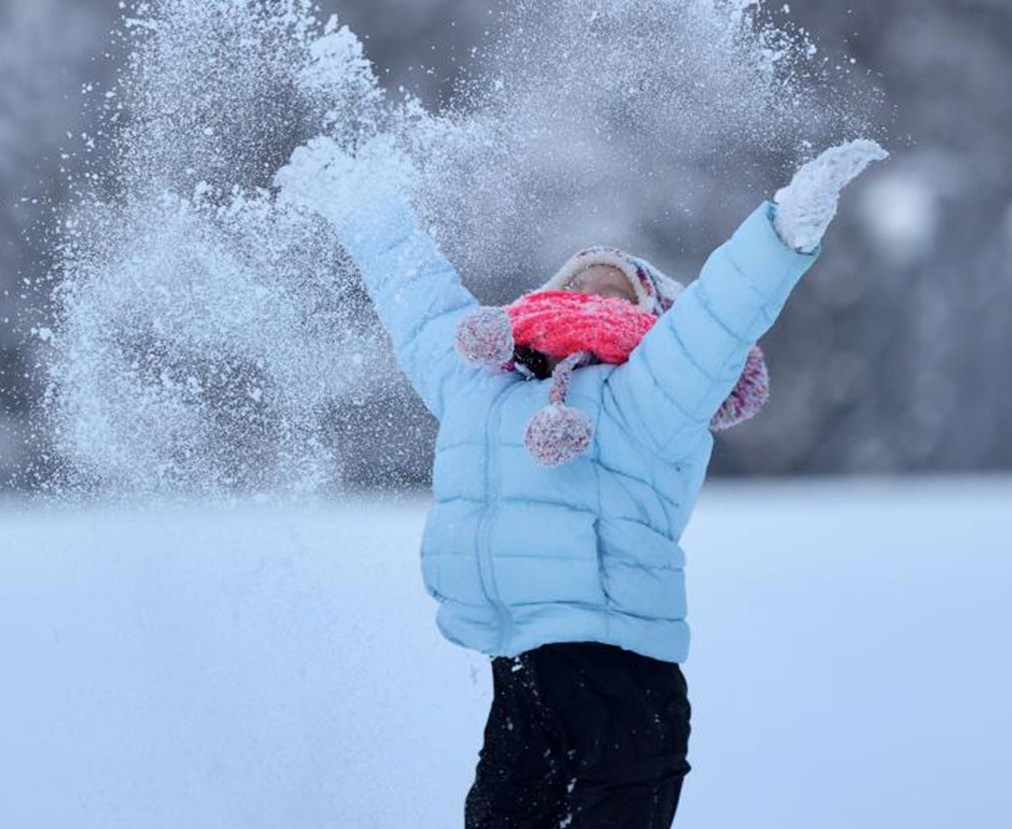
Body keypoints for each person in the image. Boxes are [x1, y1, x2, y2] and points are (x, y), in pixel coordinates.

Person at [275, 136, 886, 829]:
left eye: (616, 288)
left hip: (625, 678)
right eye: (576, 282)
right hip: (522, 672)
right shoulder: (481, 382)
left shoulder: (652, 391)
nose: (590, 293)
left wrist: (781, 231)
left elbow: (718, 317)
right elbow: (419, 302)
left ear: (654, 319)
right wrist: (363, 208)